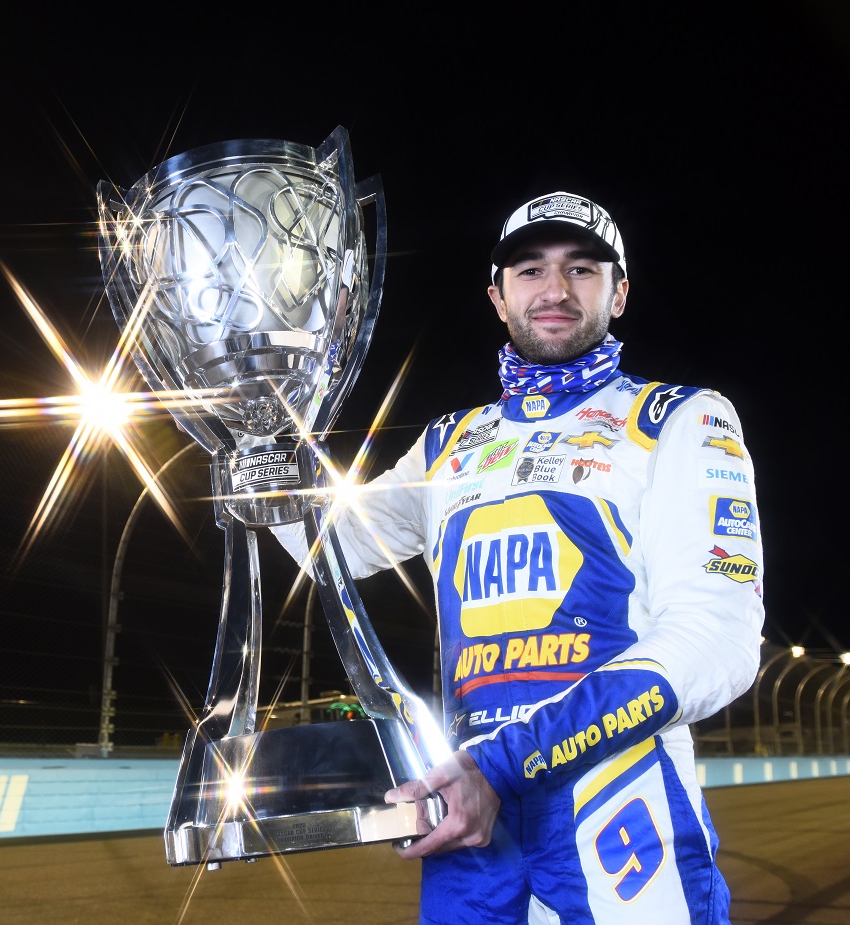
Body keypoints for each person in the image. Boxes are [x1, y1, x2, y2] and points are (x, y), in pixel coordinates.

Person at [274, 191, 764, 924]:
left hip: (615, 806)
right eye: (529, 270)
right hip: (472, 825)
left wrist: (501, 765)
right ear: (498, 298)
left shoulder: (680, 419)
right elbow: (325, 543)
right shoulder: (448, 443)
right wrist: (252, 429)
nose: (555, 291)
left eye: (582, 270)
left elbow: (714, 637)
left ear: (619, 292)